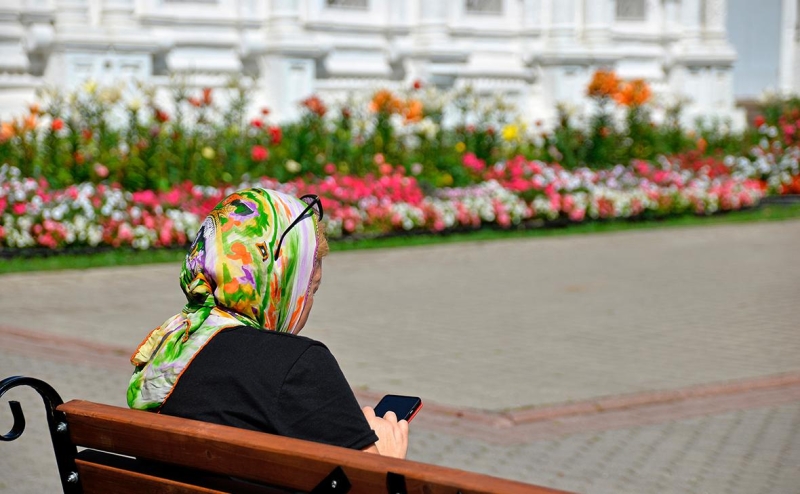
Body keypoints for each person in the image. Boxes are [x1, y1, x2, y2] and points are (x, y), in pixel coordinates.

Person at [126, 188, 408, 458]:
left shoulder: (170, 352)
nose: (309, 304)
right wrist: (388, 459)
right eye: (311, 289)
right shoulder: (299, 366)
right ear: (281, 286)